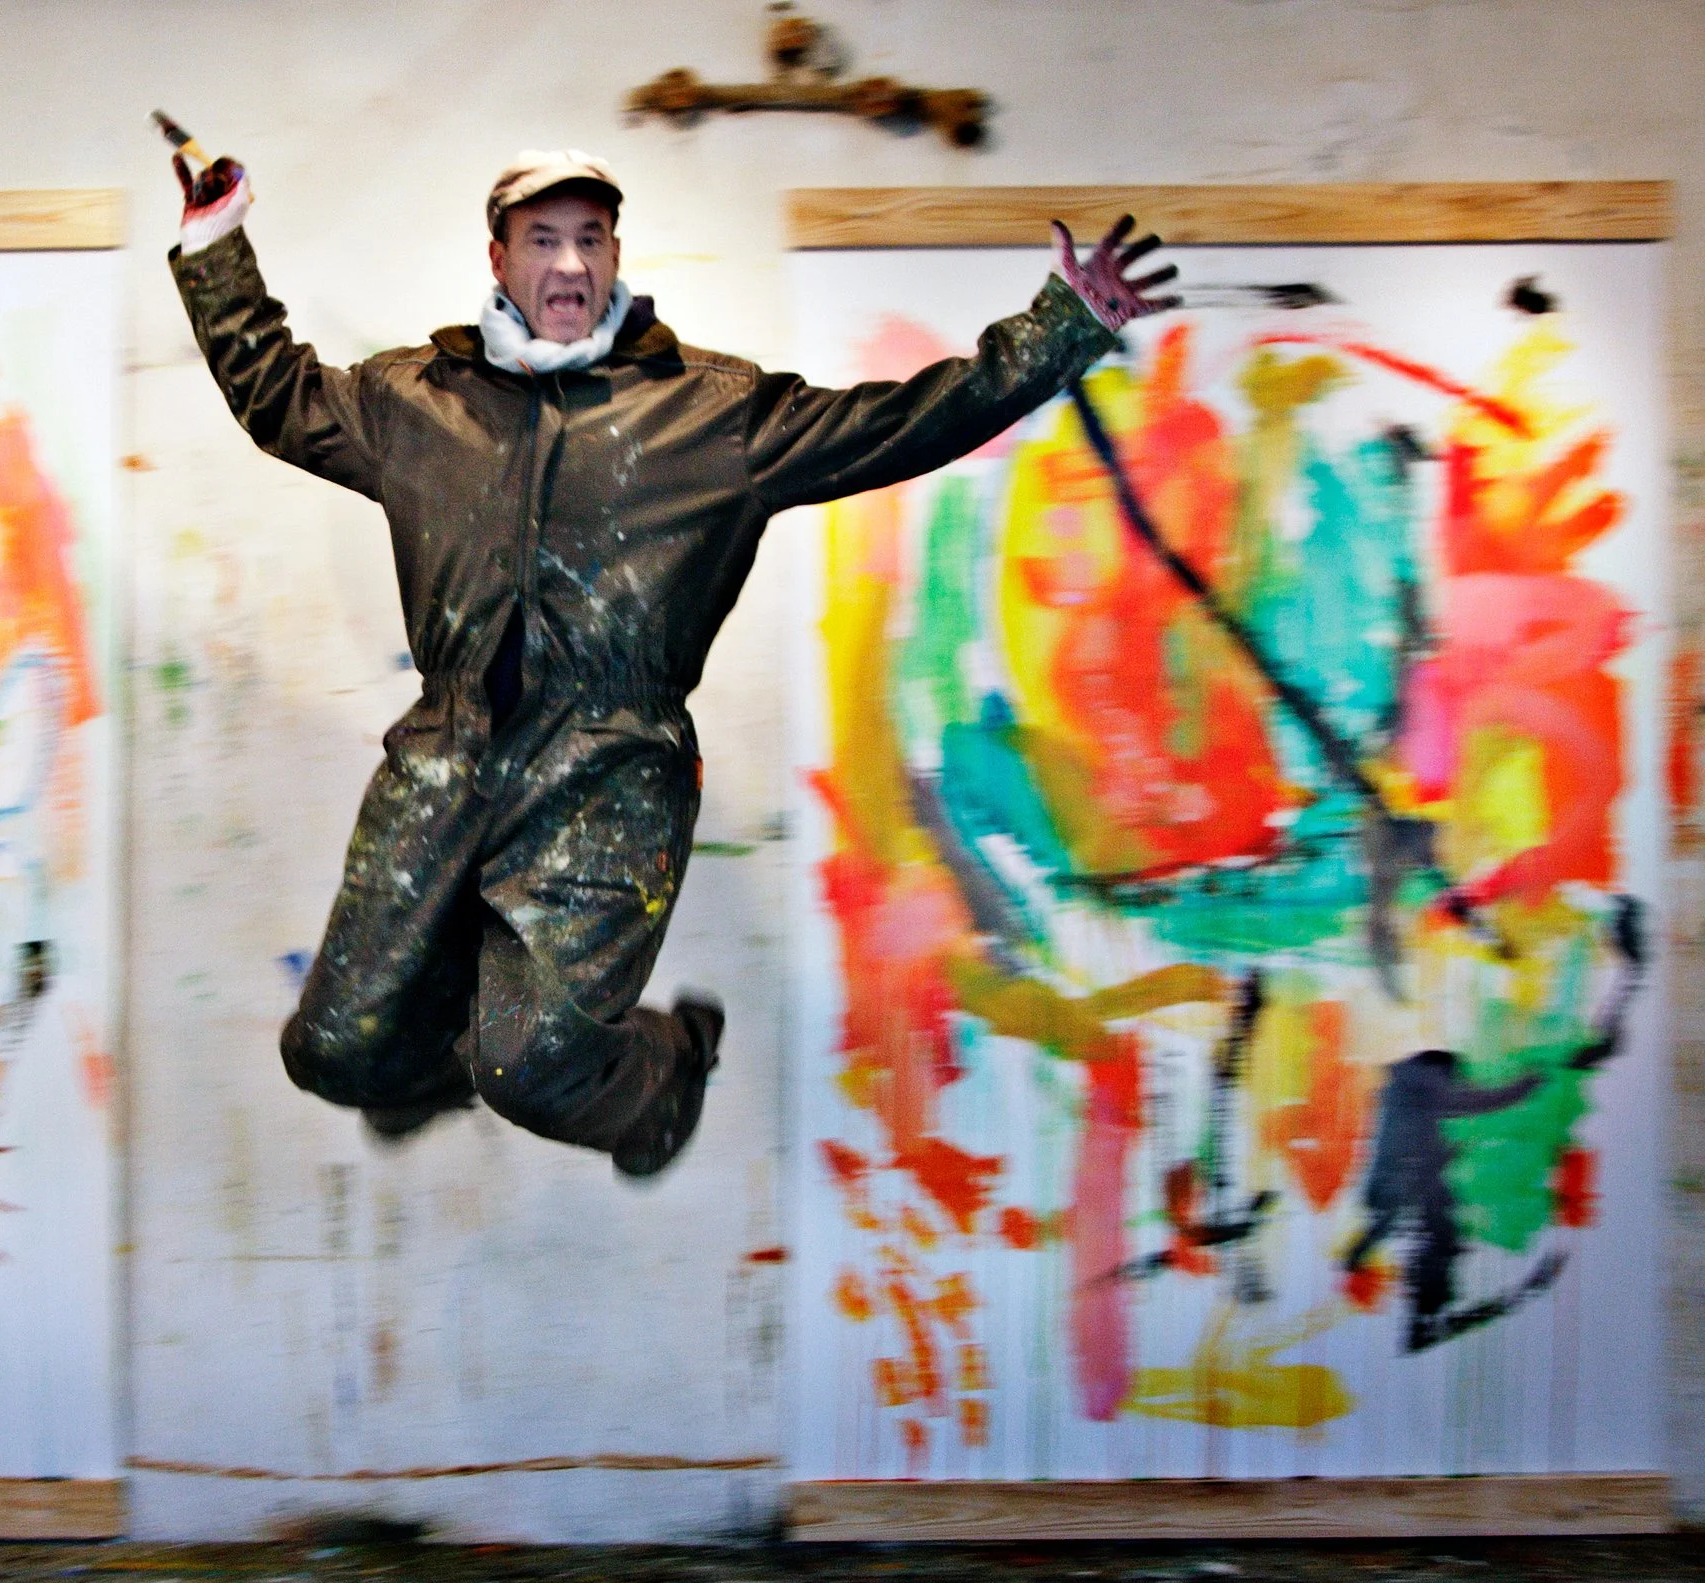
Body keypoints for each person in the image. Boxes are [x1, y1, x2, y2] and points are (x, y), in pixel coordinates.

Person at [170, 147, 1176, 1178]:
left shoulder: (712, 413)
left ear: (614, 255)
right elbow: (275, 395)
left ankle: (667, 1072)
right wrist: (216, 241)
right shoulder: (416, 403)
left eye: (589, 240)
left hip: (609, 771)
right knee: (336, 1052)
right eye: (542, 241)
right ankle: (450, 1055)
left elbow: (900, 426)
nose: (568, 266)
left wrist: (1062, 326)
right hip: (444, 758)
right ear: (498, 258)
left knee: (533, 1064)